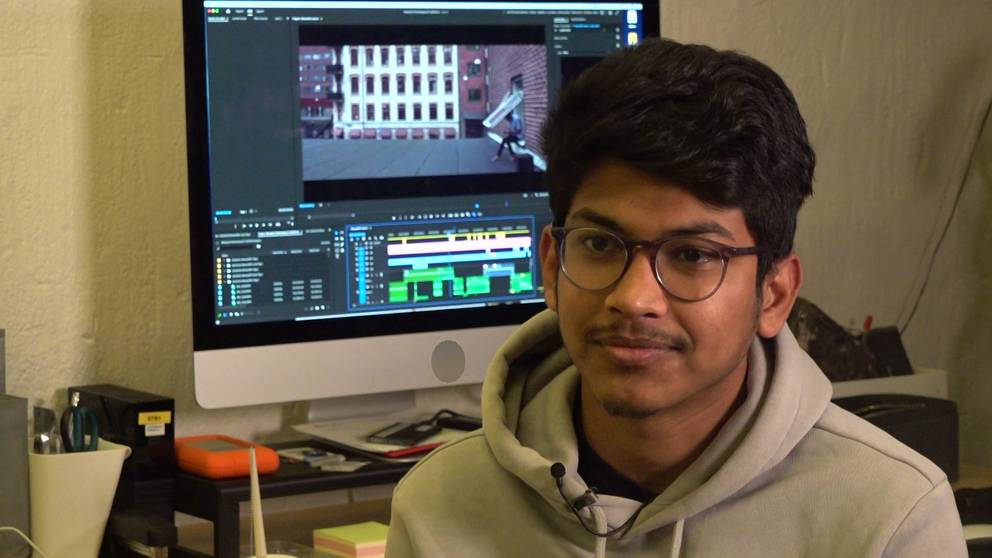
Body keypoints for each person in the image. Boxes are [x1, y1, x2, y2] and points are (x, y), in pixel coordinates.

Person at [386, 38, 966, 557]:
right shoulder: (439, 505)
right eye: (600, 244)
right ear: (552, 266)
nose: (634, 298)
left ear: (773, 294)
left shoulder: (888, 518)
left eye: (692, 255)